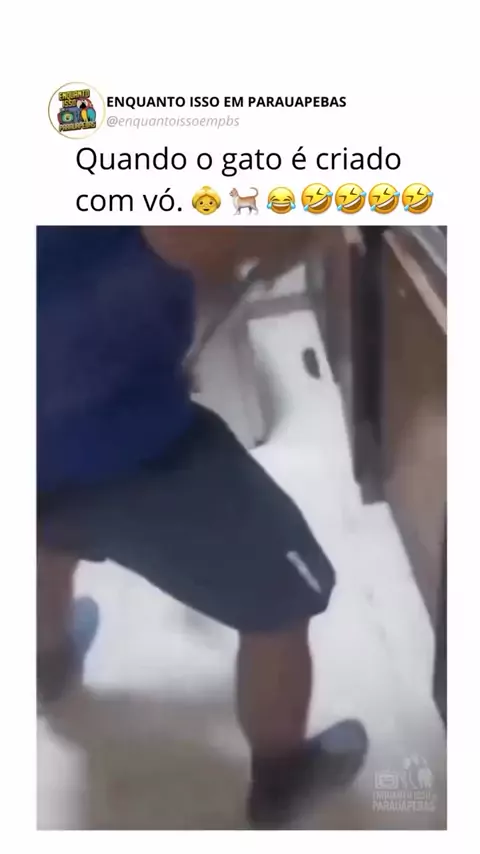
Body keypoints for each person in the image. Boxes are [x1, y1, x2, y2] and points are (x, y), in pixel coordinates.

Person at [37, 225, 364, 828]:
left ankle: (47, 664)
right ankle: (283, 778)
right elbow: (213, 239)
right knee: (286, 592)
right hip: (118, 446)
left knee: (48, 535)